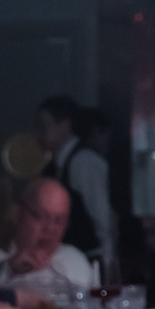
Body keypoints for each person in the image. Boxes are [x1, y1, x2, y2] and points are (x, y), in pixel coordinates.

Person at [0, 176, 99, 300]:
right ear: (17, 213)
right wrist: (8, 268)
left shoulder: (76, 261)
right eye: (42, 216)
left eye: (59, 221)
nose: (50, 228)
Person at [36, 94, 116, 272]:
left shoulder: (84, 161)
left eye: (44, 126)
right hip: (67, 261)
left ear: (65, 125)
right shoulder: (54, 167)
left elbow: (102, 217)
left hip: (89, 261)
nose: (39, 133)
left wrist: (108, 265)